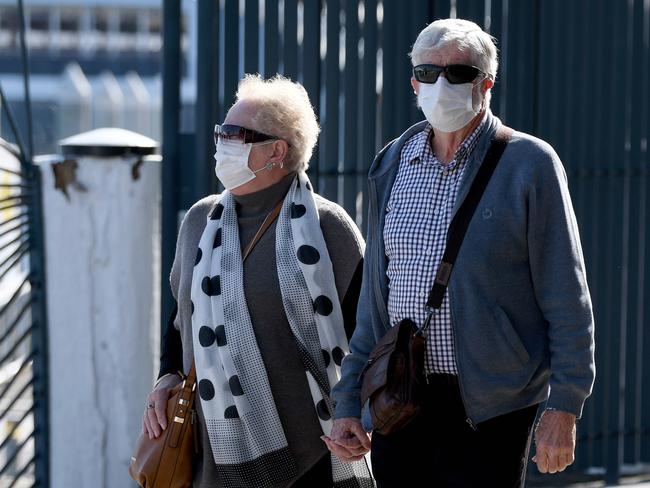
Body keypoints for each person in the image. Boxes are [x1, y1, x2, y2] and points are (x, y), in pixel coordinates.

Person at [322, 18, 596, 487]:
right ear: (413, 82)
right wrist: (349, 401)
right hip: (400, 395)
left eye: (459, 73)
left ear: (486, 83)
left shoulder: (529, 164)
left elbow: (566, 295)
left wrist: (565, 405)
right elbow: (374, 304)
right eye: (428, 73)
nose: (441, 84)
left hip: (493, 402)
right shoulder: (393, 160)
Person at [142, 74, 374, 487]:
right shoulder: (200, 220)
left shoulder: (328, 228)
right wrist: (167, 375)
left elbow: (364, 332)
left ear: (277, 150)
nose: (221, 143)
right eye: (221, 132)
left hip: (315, 446)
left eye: (234, 134)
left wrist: (358, 411)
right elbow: (182, 316)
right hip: (216, 447)